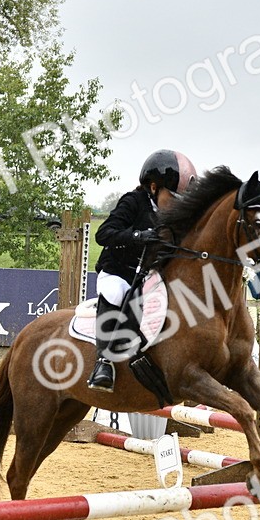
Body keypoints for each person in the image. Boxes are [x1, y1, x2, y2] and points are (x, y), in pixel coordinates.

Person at [86, 149, 198, 392]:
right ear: (154, 187)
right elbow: (103, 234)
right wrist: (138, 236)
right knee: (116, 292)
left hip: (148, 275)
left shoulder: (172, 216)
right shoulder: (133, 202)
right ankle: (103, 364)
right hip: (117, 272)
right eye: (173, 197)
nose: (176, 205)